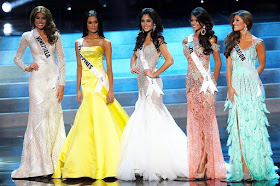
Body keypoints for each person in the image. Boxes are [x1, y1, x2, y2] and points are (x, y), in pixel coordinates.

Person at [52, 10, 129, 180]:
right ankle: (85, 163)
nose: (93, 25)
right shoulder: (78, 42)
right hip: (86, 85)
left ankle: (107, 162)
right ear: (85, 24)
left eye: (95, 22)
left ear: (99, 24)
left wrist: (111, 90)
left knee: (102, 120)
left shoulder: (105, 42)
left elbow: (109, 67)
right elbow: (79, 67)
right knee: (85, 122)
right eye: (90, 22)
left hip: (100, 84)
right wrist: (78, 88)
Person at [117, 8, 189, 181]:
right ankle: (142, 162)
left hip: (153, 85)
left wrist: (155, 74)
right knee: (143, 119)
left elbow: (170, 60)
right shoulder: (140, 39)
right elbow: (133, 58)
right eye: (143, 21)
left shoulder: (158, 39)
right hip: (141, 84)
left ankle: (158, 162)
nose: (145, 24)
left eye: (148, 21)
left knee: (154, 117)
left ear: (154, 22)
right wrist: (132, 66)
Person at [12, 6, 66, 179]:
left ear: (47, 19)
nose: (40, 21)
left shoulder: (55, 35)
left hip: (52, 81)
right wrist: (27, 67)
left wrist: (62, 85)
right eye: (37, 18)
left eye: (43, 18)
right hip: (36, 82)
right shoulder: (27, 36)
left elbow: (62, 61)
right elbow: (17, 57)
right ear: (33, 20)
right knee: (38, 120)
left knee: (53, 118)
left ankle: (53, 162)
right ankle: (39, 165)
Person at [224, 10, 279, 181]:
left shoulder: (258, 43)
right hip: (236, 88)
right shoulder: (232, 41)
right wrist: (230, 88)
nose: (234, 23)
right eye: (233, 20)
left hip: (251, 88)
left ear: (245, 23)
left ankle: (255, 166)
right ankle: (243, 168)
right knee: (239, 127)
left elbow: (261, 65)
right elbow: (229, 67)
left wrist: (253, 79)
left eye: (237, 20)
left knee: (253, 126)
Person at [182, 7, 226, 180]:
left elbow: (218, 63)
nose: (193, 23)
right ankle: (201, 160)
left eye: (196, 20)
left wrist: (212, 83)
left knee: (207, 125)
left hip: (206, 87)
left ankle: (203, 162)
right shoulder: (186, 41)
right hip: (191, 87)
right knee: (197, 126)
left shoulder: (211, 38)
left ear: (203, 21)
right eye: (191, 20)